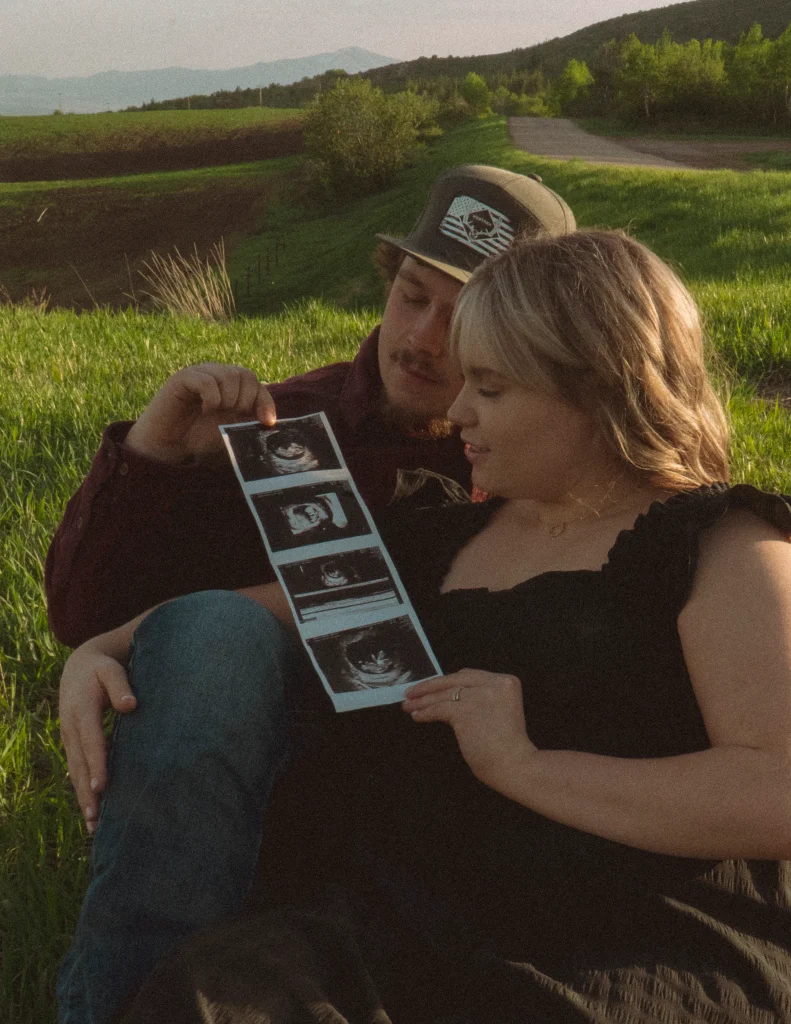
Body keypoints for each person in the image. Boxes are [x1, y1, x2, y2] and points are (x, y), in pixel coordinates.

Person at [62, 229, 791, 1024]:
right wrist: (96, 655)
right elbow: (246, 615)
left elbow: (775, 791)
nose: (458, 410)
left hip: (633, 940)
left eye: (491, 387)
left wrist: (523, 765)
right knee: (209, 995)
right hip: (415, 923)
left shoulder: (718, 544)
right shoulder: (439, 537)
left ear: (593, 389)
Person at [54, 165, 576, 1024]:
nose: (424, 337)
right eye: (412, 295)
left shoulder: (544, 457)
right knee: (215, 630)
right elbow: (89, 616)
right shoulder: (278, 429)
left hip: (462, 796)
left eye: (464, 315)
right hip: (270, 767)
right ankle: (119, 1001)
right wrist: (154, 454)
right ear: (385, 280)